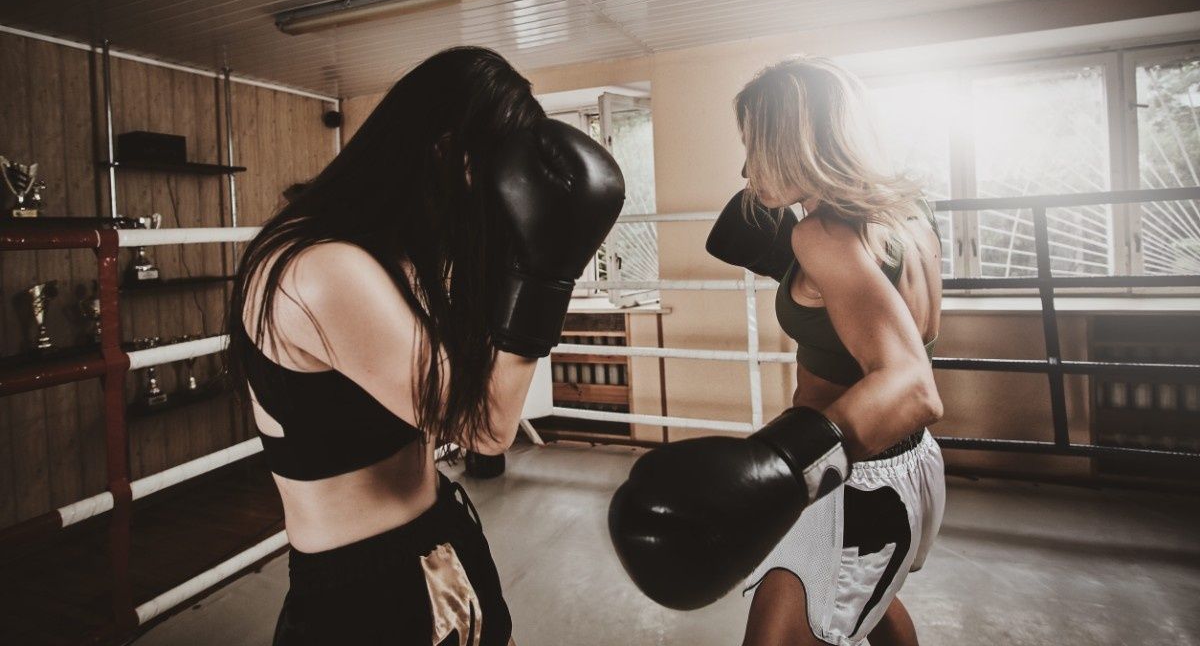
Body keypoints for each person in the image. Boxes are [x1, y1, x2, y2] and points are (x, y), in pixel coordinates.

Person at [226, 46, 624, 646]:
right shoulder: (322, 270)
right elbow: (486, 427)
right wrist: (547, 273)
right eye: (495, 177)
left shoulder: (395, 252)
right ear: (446, 152)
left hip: (441, 533)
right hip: (367, 587)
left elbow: (464, 377)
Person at [608, 56, 944, 646]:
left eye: (755, 145)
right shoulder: (906, 214)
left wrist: (782, 465)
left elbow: (913, 386)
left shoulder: (822, 235)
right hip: (904, 468)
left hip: (847, 482)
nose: (744, 167)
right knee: (874, 606)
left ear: (799, 141)